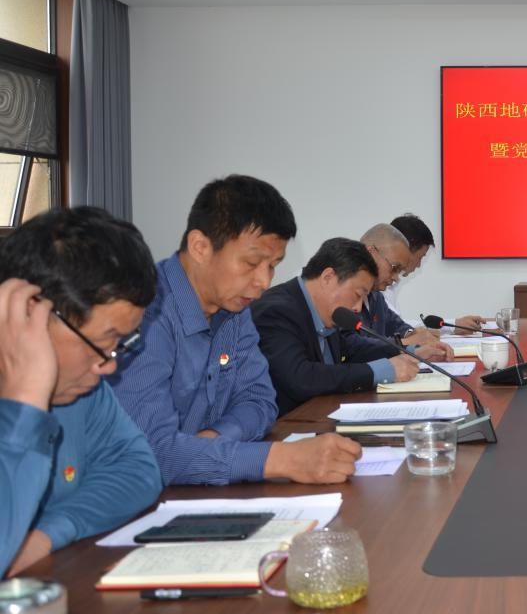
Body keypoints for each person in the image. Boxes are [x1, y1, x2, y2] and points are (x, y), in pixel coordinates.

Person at [111, 176, 359, 486]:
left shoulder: (234, 309)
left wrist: (212, 440)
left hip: (197, 491)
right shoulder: (143, 312)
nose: (264, 282)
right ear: (200, 247)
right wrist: (282, 459)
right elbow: (151, 453)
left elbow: (260, 401)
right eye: (252, 263)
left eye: (273, 265)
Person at [0, 207, 161, 575]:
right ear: (31, 315)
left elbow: (138, 470)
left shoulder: (79, 390)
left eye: (120, 343)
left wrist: (45, 534)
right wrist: (25, 400)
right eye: (103, 342)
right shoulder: (50, 386)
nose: (108, 365)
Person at [252, 238, 419, 415]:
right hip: (289, 425)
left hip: (324, 416)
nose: (358, 308)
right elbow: (301, 377)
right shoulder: (276, 311)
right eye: (358, 295)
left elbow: (353, 349)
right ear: (328, 277)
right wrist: (378, 372)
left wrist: (408, 351)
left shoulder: (326, 312)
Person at [356, 223, 452, 362]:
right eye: (394, 268)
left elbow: (396, 325)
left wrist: (413, 334)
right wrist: (406, 342)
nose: (396, 278)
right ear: (371, 252)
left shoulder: (376, 296)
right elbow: (356, 350)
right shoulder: (343, 297)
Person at [385, 213, 482, 334]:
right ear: (404, 250)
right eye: (420, 257)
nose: (419, 265)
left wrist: (453, 325)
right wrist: (452, 326)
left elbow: (398, 326)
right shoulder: (378, 285)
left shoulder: (390, 284)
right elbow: (395, 330)